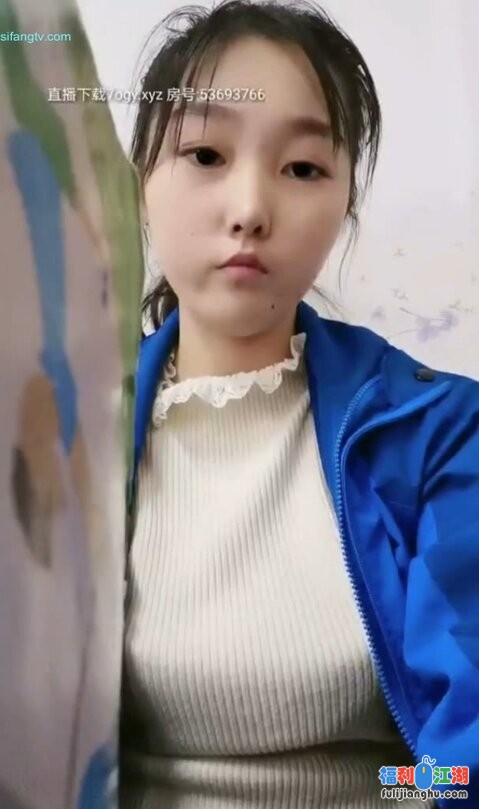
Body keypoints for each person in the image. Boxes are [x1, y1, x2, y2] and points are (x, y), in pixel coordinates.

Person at [119, 2, 479, 807]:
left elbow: (464, 761)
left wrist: (378, 793)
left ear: (344, 202)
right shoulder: (61, 447)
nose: (249, 208)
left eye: (302, 168)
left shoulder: (439, 435)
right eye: (205, 154)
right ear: (142, 182)